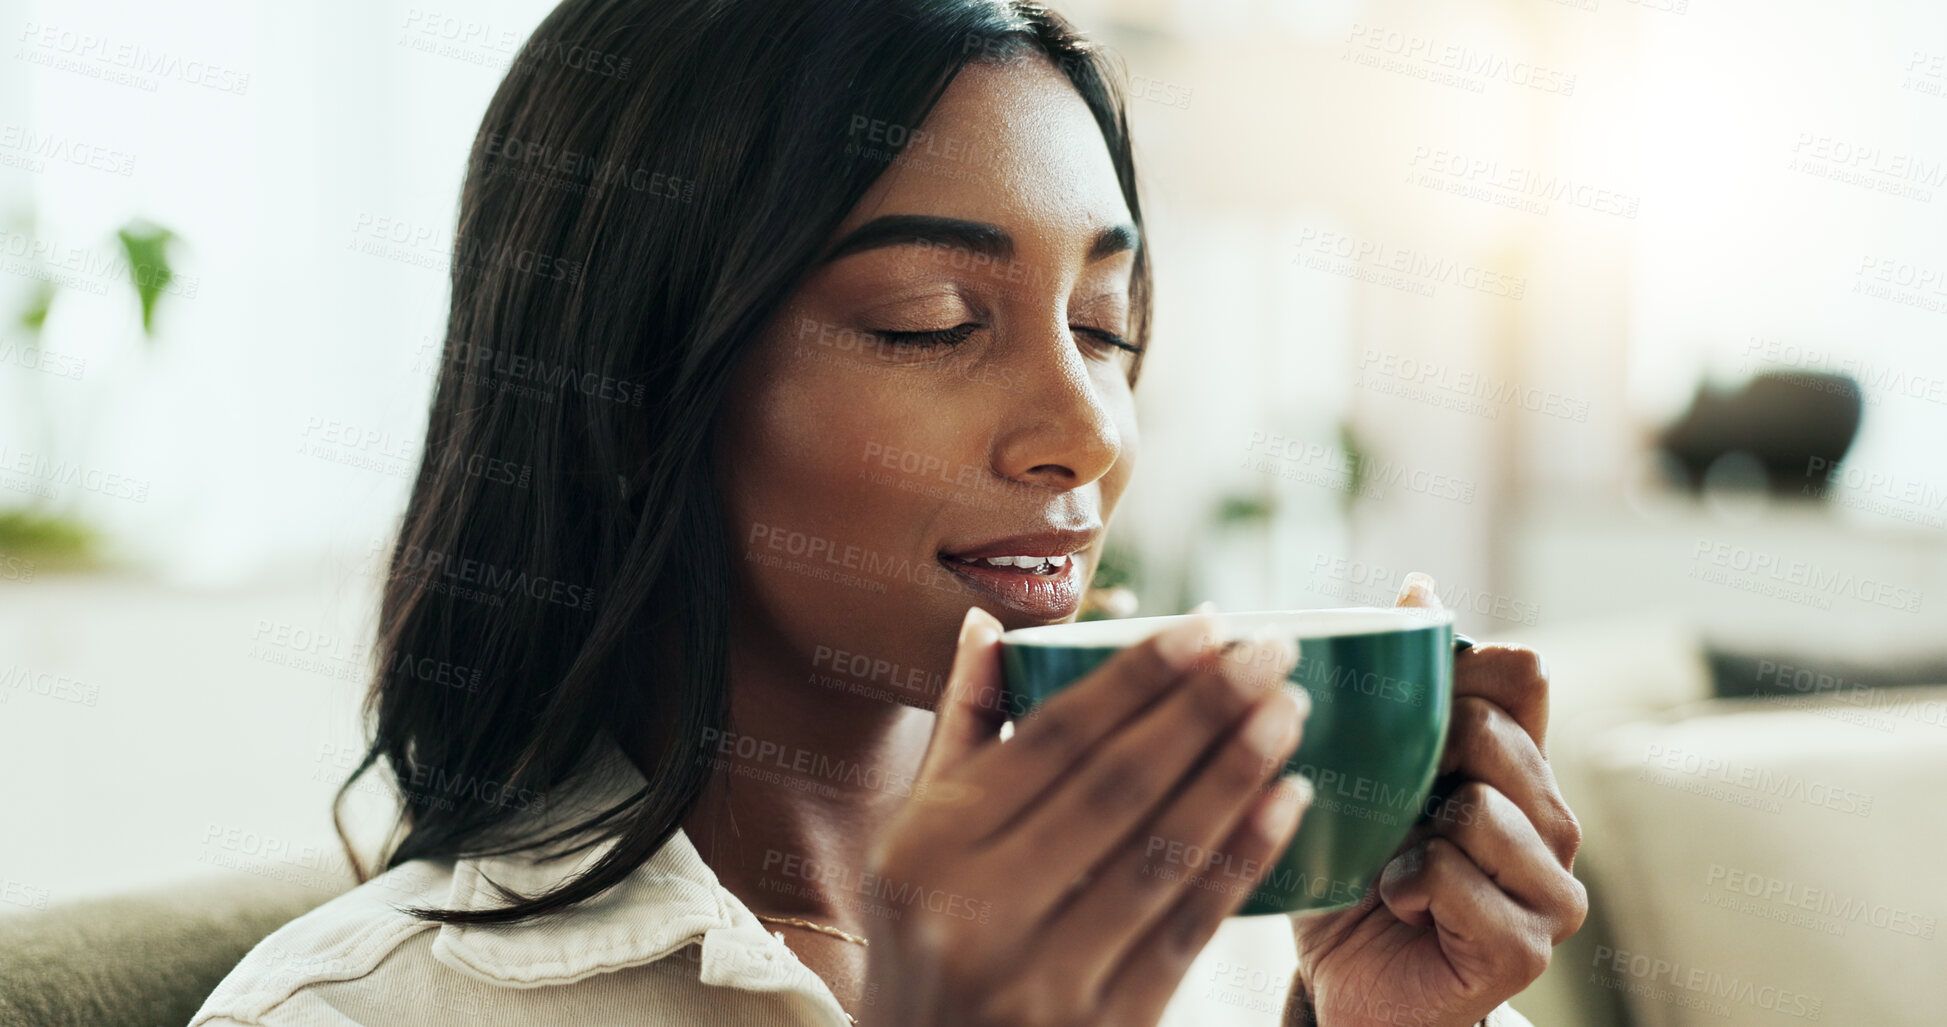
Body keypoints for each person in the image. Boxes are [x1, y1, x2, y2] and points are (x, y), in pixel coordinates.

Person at [193, 1, 1584, 1023]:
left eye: (1105, 327)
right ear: (623, 387)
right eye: (932, 323)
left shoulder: (1239, 929)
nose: (1089, 431)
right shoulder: (350, 1016)